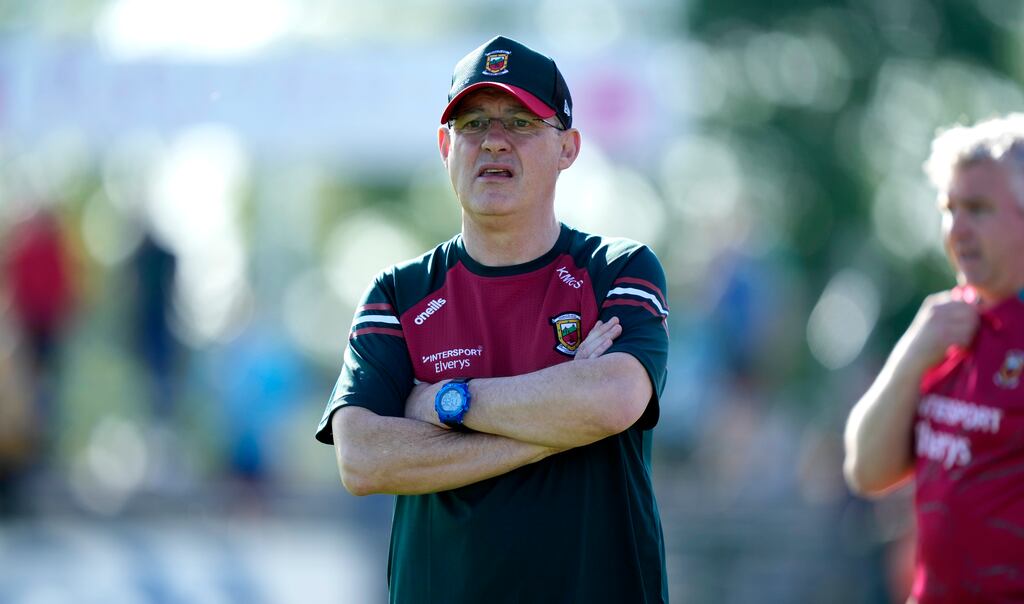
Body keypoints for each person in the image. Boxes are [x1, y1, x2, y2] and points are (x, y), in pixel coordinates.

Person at [315, 36, 670, 603]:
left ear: (568, 147)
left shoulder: (616, 270)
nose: (494, 142)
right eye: (473, 123)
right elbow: (362, 459)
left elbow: (614, 400)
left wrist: (442, 403)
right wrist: (562, 424)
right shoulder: (398, 294)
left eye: (522, 122)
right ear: (444, 146)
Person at [844, 114, 1024, 603]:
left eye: (979, 209)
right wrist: (910, 355)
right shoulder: (943, 325)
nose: (957, 228)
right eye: (950, 208)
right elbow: (867, 470)